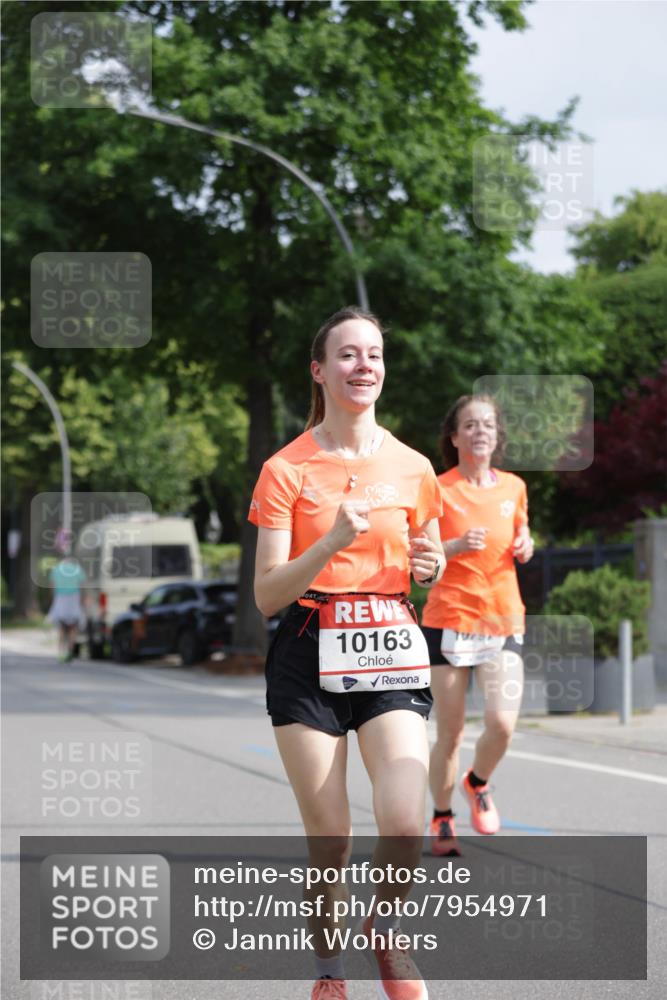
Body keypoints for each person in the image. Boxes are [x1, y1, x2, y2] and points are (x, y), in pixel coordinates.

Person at [249, 307, 445, 1000]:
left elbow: (422, 564)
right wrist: (329, 542)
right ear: (319, 369)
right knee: (329, 837)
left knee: (402, 819)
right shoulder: (285, 469)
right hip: (307, 649)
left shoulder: (415, 467)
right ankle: (329, 975)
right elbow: (267, 594)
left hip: (389, 647)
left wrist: (430, 564)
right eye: (347, 355)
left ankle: (384, 930)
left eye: (373, 355)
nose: (363, 366)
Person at [421, 395, 534, 857]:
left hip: (502, 619)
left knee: (502, 724)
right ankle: (442, 816)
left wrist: (526, 543)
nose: (480, 431)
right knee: (450, 735)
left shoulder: (514, 488)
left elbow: (521, 535)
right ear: (455, 436)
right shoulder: (438, 488)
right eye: (470, 424)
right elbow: (420, 558)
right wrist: (454, 545)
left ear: (496, 435)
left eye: (487, 424)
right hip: (448, 619)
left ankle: (478, 782)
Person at [47, 552, 86, 662]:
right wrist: (81, 601)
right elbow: (82, 586)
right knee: (73, 627)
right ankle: (70, 651)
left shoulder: (56, 570)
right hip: (74, 598)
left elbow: (52, 586)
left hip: (60, 599)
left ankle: (60, 653)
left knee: (61, 628)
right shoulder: (78, 569)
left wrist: (52, 600)